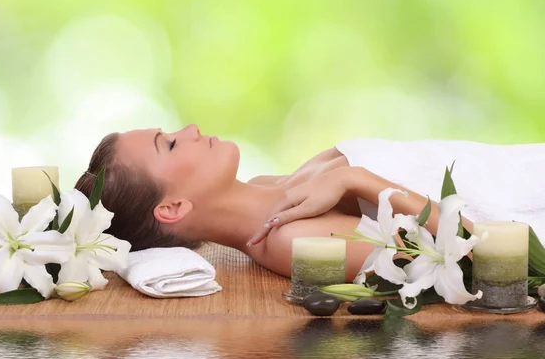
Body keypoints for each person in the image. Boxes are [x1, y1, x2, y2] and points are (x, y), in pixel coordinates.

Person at [75, 125, 544, 283]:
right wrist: (354, 176)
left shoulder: (269, 186)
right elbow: (466, 250)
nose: (192, 129)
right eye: (172, 145)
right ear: (172, 208)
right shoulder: (291, 240)